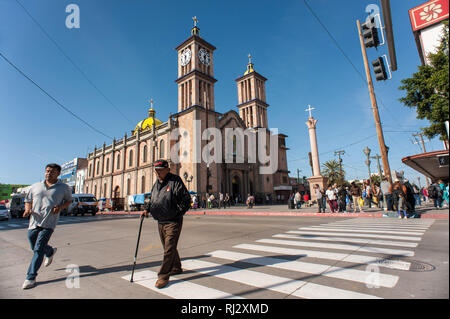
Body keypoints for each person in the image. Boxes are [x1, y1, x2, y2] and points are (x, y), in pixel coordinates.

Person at [22, 163, 73, 289]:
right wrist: (27, 209)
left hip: (49, 222)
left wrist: (60, 207)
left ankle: (30, 277)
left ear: (58, 174)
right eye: (47, 171)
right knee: (33, 244)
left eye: (52, 172)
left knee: (38, 249)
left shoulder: (64, 187)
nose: (49, 173)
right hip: (34, 222)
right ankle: (49, 251)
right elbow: (28, 200)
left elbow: (69, 200)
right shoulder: (35, 186)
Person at [142, 160, 191, 289]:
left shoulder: (175, 181)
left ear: (167, 169)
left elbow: (186, 199)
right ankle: (176, 267)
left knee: (169, 248)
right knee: (169, 247)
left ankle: (163, 276)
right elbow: (152, 198)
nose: (157, 173)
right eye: (156, 171)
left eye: (160, 170)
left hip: (173, 221)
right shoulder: (157, 183)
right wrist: (147, 209)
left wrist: (177, 213)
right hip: (160, 221)